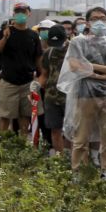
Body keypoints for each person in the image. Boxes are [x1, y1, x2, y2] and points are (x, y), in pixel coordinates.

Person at [57, 7, 106, 173]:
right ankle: (79, 172)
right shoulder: (78, 42)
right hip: (84, 95)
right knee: (81, 137)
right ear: (88, 22)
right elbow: (75, 65)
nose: (100, 21)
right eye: (95, 18)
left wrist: (91, 69)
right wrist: (103, 73)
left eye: (103, 18)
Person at [0, 2, 42, 137]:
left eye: (23, 12)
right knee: (4, 116)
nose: (20, 14)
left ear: (28, 14)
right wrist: (5, 37)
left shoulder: (33, 35)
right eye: (17, 11)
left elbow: (38, 57)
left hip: (27, 81)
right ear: (13, 14)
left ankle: (22, 143)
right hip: (8, 80)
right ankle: (2, 143)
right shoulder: (5, 32)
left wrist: (40, 75)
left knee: (25, 116)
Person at [37, 25, 70, 156]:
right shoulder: (49, 52)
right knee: (54, 129)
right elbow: (44, 74)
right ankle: (59, 159)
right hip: (51, 96)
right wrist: (37, 86)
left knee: (72, 131)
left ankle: (72, 159)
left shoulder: (75, 50)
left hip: (71, 97)